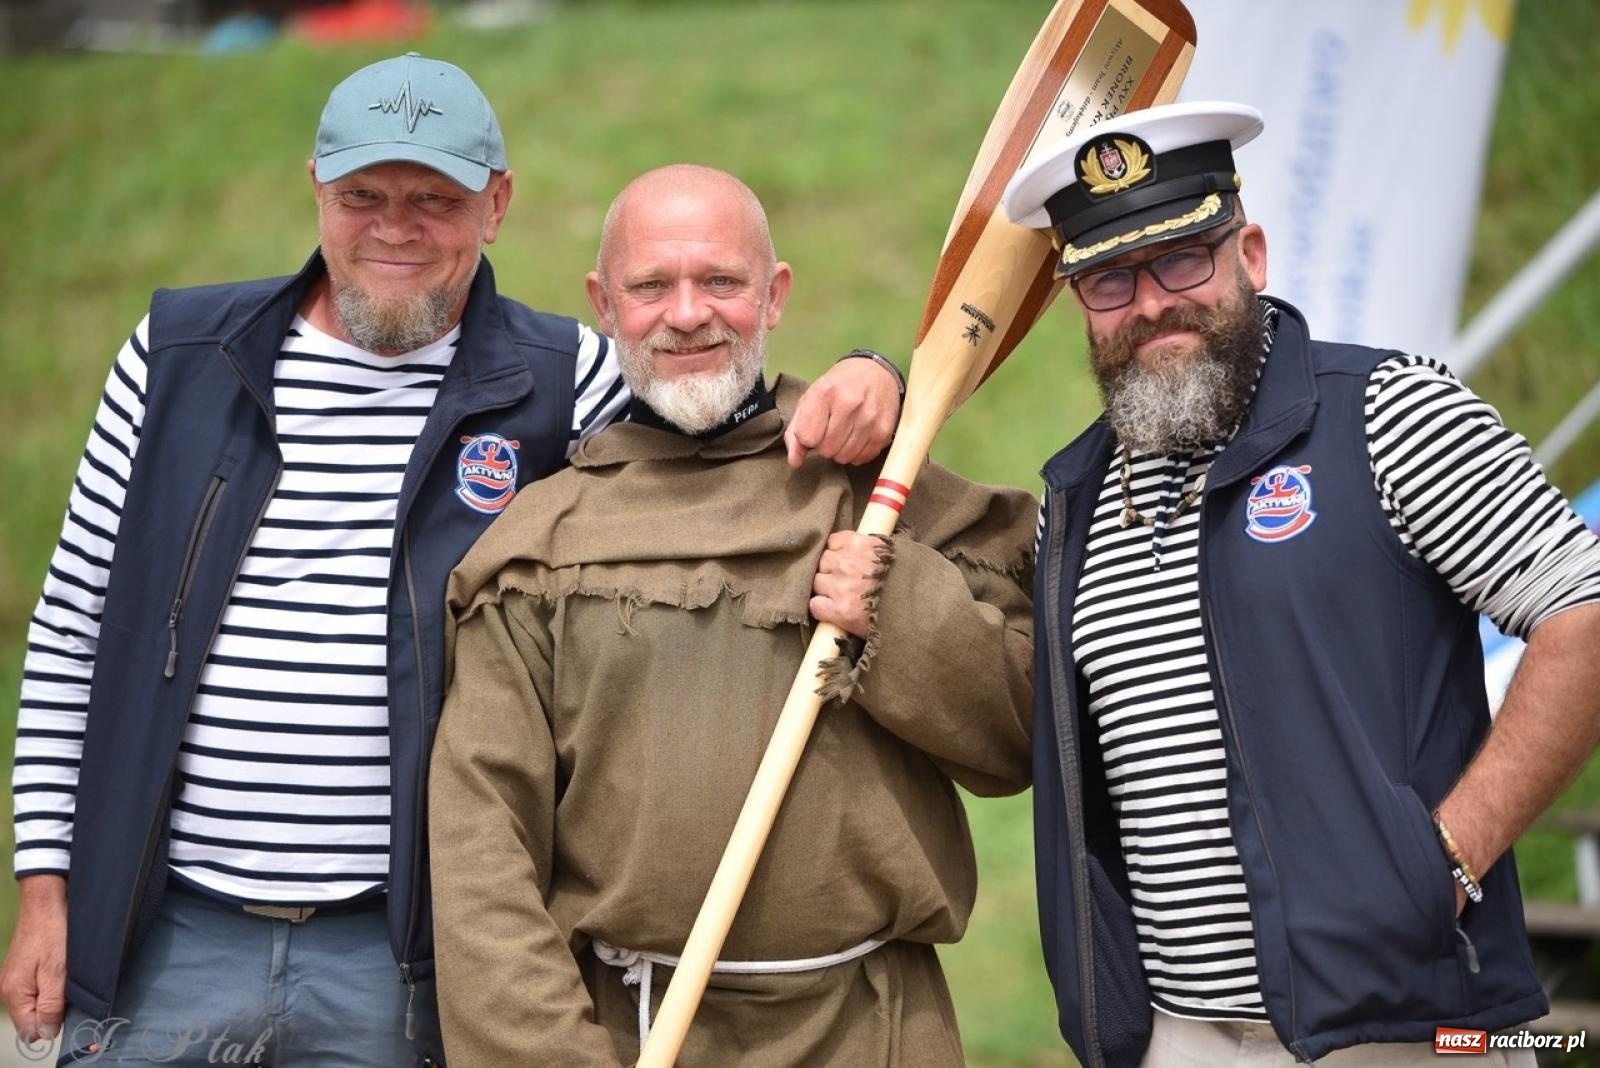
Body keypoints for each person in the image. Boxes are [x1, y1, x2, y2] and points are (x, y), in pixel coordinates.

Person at [1, 55, 902, 1065]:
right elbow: (74, 632)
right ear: (317, 190)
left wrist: (874, 371)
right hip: (169, 931)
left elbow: (719, 415)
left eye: (435, 198)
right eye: (363, 197)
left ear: (497, 203)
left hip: (405, 953)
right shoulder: (177, 355)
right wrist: (46, 891)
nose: (395, 227)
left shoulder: (566, 380)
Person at [1000, 100, 1600, 1066]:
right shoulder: (1071, 500)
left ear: (1253, 254)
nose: (1152, 301)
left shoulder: (1388, 412)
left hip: (1412, 1029)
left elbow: (1584, 607)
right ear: (1081, 303)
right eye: (1110, 278)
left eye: (1182, 257)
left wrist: (1443, 861)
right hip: (1183, 1042)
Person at [426, 163, 1036, 1066]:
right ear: (603, 301)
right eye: (650, 286)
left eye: (721, 281)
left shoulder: (882, 498)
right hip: (632, 1035)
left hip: (876, 1034)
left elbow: (1020, 740)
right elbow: (484, 860)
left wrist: (896, 605)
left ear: (774, 293)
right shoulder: (540, 549)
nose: (686, 314)